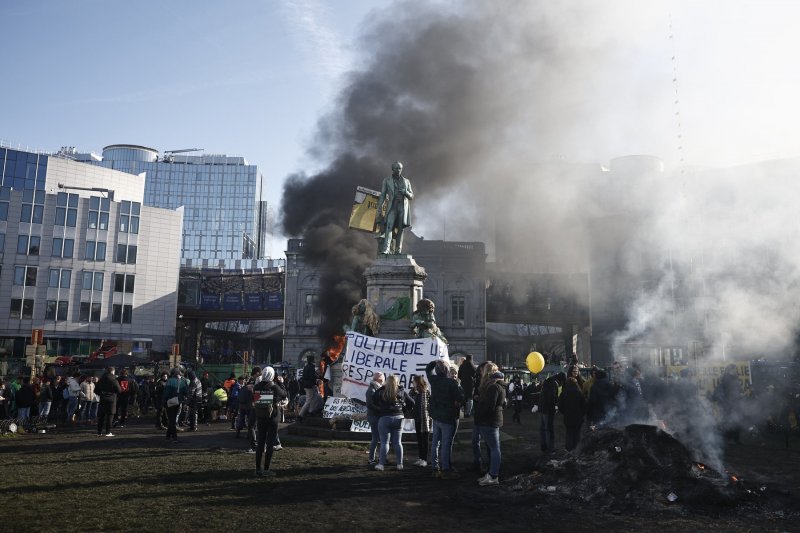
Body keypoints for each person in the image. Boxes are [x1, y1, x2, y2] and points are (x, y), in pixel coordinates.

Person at [425, 359, 464, 477]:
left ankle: (434, 466)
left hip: (436, 417)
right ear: (447, 371)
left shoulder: (433, 380)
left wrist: (435, 362)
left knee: (435, 443)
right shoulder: (451, 383)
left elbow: (428, 369)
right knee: (446, 444)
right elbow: (461, 398)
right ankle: (446, 468)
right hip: (448, 417)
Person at [370, 374, 414, 471]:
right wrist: (405, 409)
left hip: (385, 417)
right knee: (398, 442)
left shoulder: (381, 391)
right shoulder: (401, 391)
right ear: (397, 382)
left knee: (384, 442)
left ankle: (381, 465)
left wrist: (380, 408)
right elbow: (412, 403)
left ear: (387, 382)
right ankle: (400, 464)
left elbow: (373, 399)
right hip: (399, 417)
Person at [474, 365, 506, 486]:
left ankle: (493, 476)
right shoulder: (498, 386)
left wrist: (480, 414)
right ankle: (492, 474)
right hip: (492, 420)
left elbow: (490, 406)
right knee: (494, 448)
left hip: (489, 421)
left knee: (494, 448)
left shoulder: (494, 387)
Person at [252, 367, 287, 477]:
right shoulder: (274, 386)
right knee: (270, 443)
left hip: (260, 416)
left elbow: (256, 400)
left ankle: (258, 469)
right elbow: (284, 394)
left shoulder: (257, 386)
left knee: (260, 443)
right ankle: (266, 469)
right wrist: (281, 383)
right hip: (272, 417)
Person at [376, 161, 414, 255]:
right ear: (392, 169)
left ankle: (398, 250)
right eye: (396, 168)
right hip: (392, 206)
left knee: (400, 229)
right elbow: (383, 195)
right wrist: (379, 207)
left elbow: (411, 196)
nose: (398, 170)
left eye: (400, 168)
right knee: (389, 226)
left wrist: (405, 192)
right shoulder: (387, 180)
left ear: (402, 169)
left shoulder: (406, 181)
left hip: (402, 206)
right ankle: (386, 249)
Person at [538, 372, 565, 454]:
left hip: (541, 408)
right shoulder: (554, 384)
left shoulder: (547, 381)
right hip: (548, 410)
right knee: (549, 429)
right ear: (560, 380)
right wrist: (555, 406)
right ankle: (550, 448)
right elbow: (552, 397)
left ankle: (543, 446)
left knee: (542, 428)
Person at [558, 377, 586, 451]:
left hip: (568, 417)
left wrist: (564, 412)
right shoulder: (580, 393)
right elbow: (584, 406)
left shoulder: (563, 393)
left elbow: (560, 406)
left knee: (569, 433)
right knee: (577, 433)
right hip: (578, 417)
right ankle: (576, 449)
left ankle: (569, 449)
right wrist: (582, 414)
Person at [409, 374, 430, 467]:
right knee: (419, 439)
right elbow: (409, 399)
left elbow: (427, 406)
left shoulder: (425, 392)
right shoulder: (415, 392)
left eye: (413, 381)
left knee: (424, 440)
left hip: (425, 419)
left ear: (417, 382)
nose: (412, 383)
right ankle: (421, 457)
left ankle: (425, 459)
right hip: (417, 418)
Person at [365, 372, 385, 466]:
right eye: (383, 379)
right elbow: (369, 404)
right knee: (376, 438)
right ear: (379, 380)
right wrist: (381, 410)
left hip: (376, 416)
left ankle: (378, 458)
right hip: (374, 416)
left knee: (378, 438)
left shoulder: (375, 388)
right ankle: (371, 459)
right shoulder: (371, 390)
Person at [95, 367, 122, 437]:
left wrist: (102, 393)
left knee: (101, 416)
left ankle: (99, 432)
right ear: (113, 372)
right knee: (110, 416)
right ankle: (108, 432)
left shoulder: (101, 379)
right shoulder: (114, 380)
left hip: (103, 399)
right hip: (111, 400)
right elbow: (119, 390)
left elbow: (95, 390)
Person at [163, 368, 187, 443]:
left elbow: (166, 393)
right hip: (178, 402)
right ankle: (168, 436)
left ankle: (174, 437)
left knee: (171, 420)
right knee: (172, 419)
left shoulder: (170, 380)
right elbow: (186, 392)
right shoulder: (182, 381)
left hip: (169, 402)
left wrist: (163, 402)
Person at [298, 355, 318, 422]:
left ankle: (311, 411)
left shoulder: (305, 367)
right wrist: (316, 377)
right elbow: (312, 377)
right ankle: (300, 415)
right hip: (310, 385)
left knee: (313, 398)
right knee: (308, 401)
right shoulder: (312, 367)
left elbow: (304, 376)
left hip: (306, 385)